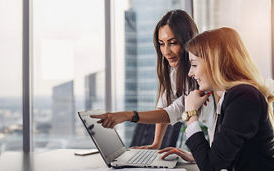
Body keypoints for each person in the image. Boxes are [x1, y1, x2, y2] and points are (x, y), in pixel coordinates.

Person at [91, 10, 216, 162]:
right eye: (161, 44)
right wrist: (156, 143)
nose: (166, 51)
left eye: (173, 42)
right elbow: (164, 105)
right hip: (217, 152)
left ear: (187, 41)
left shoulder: (202, 76)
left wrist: (127, 115)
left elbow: (171, 112)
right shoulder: (174, 70)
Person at [179, 27, 274, 170]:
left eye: (194, 65)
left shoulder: (244, 97)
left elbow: (211, 167)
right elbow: (222, 157)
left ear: (215, 62)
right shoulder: (232, 95)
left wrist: (191, 113)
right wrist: (199, 155)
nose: (190, 73)